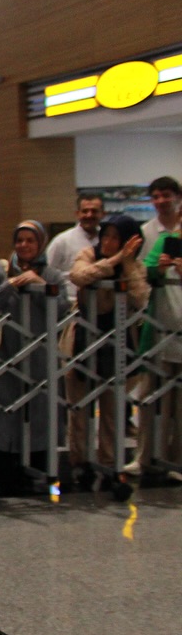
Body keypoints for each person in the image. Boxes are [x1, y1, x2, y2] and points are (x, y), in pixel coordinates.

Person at [0, 221, 68, 495]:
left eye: (30, 240)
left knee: (41, 412)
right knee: (6, 412)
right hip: (6, 356)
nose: (24, 245)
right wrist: (10, 285)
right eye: (20, 240)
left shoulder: (53, 274)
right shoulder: (0, 270)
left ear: (41, 243)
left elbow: (64, 309)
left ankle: (40, 473)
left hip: (41, 358)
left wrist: (42, 285)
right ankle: (6, 474)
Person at [68, 215, 148, 480]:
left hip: (118, 341)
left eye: (116, 237)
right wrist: (112, 260)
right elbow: (79, 276)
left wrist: (126, 263)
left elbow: (141, 297)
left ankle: (110, 462)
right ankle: (79, 461)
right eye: (106, 236)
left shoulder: (133, 265)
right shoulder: (88, 254)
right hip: (83, 338)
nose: (109, 242)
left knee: (112, 409)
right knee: (79, 407)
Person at [129, 200, 182, 480]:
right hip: (160, 333)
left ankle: (177, 462)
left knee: (180, 407)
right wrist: (159, 270)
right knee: (149, 400)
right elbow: (145, 271)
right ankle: (143, 457)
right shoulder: (166, 241)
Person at [46, 194, 105, 304]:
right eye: (85, 211)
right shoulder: (61, 241)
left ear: (103, 214)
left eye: (94, 211)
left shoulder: (107, 240)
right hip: (71, 304)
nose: (89, 215)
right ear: (77, 214)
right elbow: (47, 272)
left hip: (102, 304)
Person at [141, 175, 181, 256]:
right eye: (156, 197)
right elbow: (140, 265)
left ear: (178, 197)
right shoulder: (144, 231)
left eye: (166, 195)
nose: (161, 201)